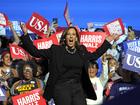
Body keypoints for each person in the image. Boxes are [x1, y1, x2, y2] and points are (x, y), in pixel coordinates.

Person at [20, 26, 118, 105]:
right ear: (65, 37)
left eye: (73, 34)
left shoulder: (81, 50)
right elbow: (35, 52)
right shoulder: (56, 50)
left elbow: (94, 55)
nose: (71, 36)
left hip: (78, 88)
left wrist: (107, 42)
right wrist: (25, 35)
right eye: (69, 34)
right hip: (61, 87)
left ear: (76, 38)